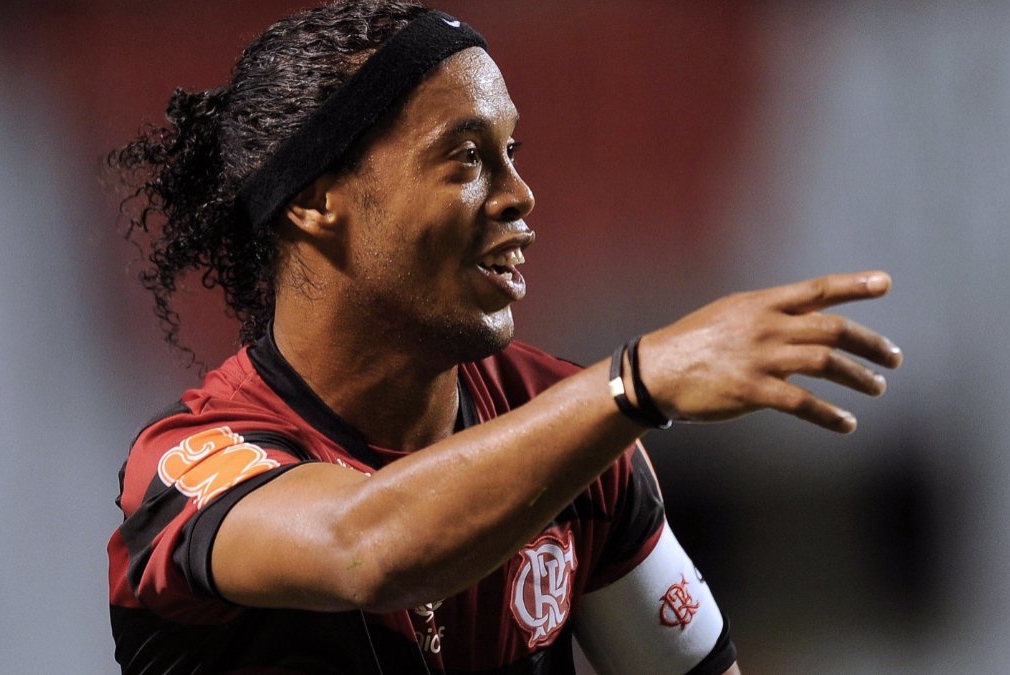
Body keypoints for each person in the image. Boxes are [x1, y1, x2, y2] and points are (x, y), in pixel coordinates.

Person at [106, 2, 902, 673]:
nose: (520, 195)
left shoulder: (573, 429)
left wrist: (613, 404)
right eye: (466, 158)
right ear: (318, 199)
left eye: (511, 153)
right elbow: (367, 545)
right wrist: (635, 382)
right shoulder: (191, 464)